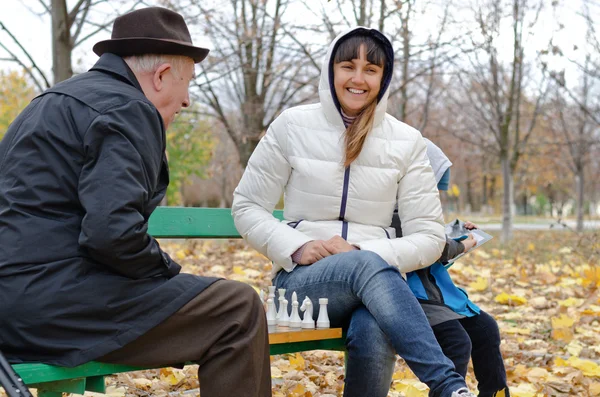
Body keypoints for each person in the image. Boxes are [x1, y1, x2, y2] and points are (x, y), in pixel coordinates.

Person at [0, 7, 270, 397]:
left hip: (14, 301)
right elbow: (112, 234)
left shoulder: (51, 99)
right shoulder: (129, 107)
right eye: (187, 83)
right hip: (48, 307)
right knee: (237, 308)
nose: (187, 101)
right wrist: (167, 271)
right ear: (161, 76)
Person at [232, 27, 476, 397]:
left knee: (374, 324)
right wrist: (297, 246)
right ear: (331, 70)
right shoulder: (291, 126)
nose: (358, 79)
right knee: (369, 271)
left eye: (371, 70)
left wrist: (364, 253)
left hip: (379, 291)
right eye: (348, 66)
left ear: (384, 78)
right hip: (305, 285)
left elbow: (429, 236)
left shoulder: (406, 142)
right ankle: (447, 385)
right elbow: (248, 205)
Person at [393, 140, 510, 397]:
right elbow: (428, 247)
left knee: (486, 328)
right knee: (457, 343)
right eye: (433, 187)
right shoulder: (391, 210)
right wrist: (463, 244)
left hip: (436, 293)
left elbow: (434, 249)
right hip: (410, 297)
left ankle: (495, 393)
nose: (435, 195)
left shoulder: (417, 207)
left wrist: (458, 236)